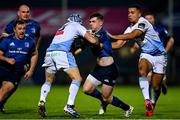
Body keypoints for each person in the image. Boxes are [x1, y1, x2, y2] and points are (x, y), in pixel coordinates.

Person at [109, 5, 167, 117]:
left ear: (139, 14)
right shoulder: (130, 27)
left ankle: (153, 102)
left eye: (132, 12)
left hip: (160, 56)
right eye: (128, 12)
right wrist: (101, 45)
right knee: (142, 71)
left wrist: (112, 35)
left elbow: (133, 35)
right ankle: (147, 101)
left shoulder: (142, 22)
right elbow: (118, 44)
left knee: (156, 86)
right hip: (146, 54)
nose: (129, 14)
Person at [37, 13, 99, 118]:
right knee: (77, 79)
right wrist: (96, 39)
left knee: (48, 80)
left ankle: (42, 100)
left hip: (49, 53)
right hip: (62, 52)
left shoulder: (62, 28)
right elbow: (93, 41)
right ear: (78, 21)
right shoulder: (77, 25)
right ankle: (69, 105)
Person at [82, 13, 133, 118]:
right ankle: (103, 102)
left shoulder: (102, 33)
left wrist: (84, 37)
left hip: (109, 70)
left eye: (94, 21)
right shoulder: (90, 33)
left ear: (101, 23)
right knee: (86, 89)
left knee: (106, 98)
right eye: (90, 22)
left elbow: (96, 44)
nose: (91, 24)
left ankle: (127, 108)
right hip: (98, 69)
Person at [0, 4, 41, 112]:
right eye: (23, 12)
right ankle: (2, 101)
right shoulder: (11, 25)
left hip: (24, 60)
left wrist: (35, 48)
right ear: (18, 13)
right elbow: (5, 37)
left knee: (12, 83)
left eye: (27, 12)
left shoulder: (35, 25)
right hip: (9, 58)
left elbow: (38, 37)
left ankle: (2, 101)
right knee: (9, 84)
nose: (26, 14)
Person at [144, 13, 174, 95]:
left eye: (150, 18)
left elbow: (171, 40)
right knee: (148, 78)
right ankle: (148, 101)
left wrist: (166, 51)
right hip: (149, 56)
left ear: (153, 19)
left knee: (160, 80)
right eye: (147, 18)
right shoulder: (142, 31)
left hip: (160, 57)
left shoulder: (160, 29)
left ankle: (163, 84)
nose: (149, 20)